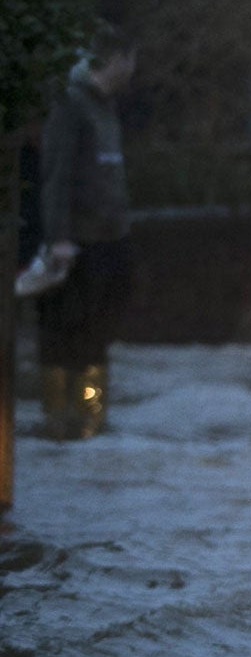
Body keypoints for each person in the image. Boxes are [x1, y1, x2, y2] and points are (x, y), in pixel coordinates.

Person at [35, 30, 136, 439]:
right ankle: (60, 419)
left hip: (109, 239)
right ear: (117, 59)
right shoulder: (72, 105)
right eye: (131, 58)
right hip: (76, 244)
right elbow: (56, 176)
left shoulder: (105, 108)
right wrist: (58, 236)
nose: (133, 69)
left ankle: (92, 418)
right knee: (65, 334)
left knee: (98, 335)